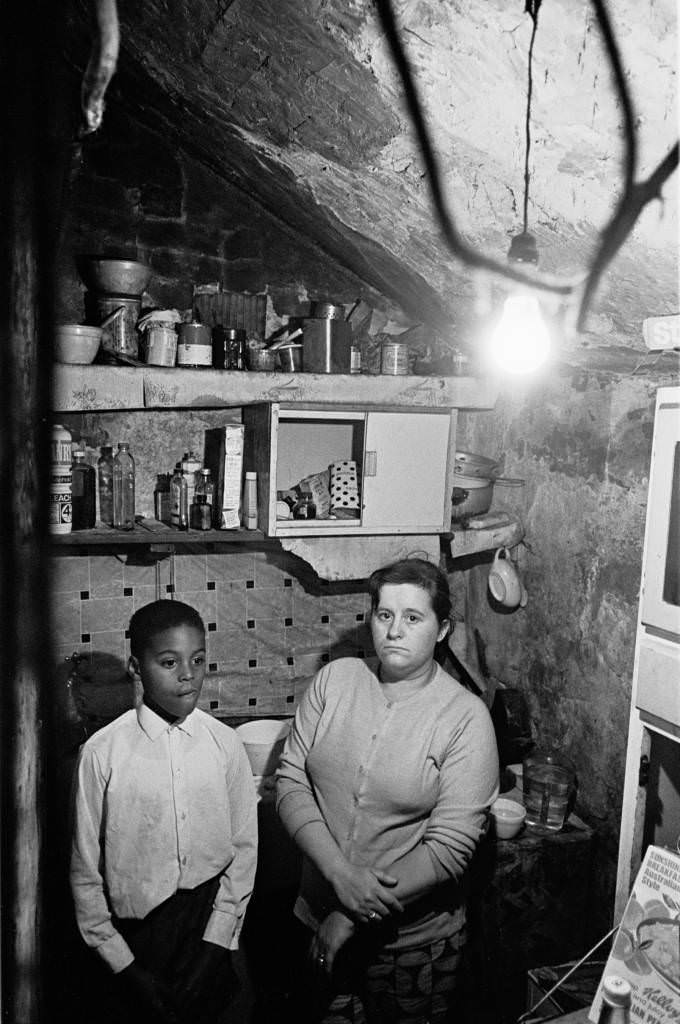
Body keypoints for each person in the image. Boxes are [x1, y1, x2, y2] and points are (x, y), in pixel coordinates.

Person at [276, 557, 499, 1024]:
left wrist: (352, 915)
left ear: (442, 630)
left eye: (413, 618)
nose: (395, 630)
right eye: (384, 615)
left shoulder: (465, 717)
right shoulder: (336, 680)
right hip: (316, 921)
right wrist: (339, 876)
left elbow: (449, 849)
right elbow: (291, 779)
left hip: (412, 946)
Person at [70, 599, 258, 1024]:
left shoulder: (224, 744)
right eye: (169, 662)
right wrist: (125, 966)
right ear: (136, 668)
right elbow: (85, 873)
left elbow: (244, 851)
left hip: (214, 928)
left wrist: (215, 945)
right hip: (137, 941)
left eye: (197, 660)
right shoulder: (102, 753)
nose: (188, 675)